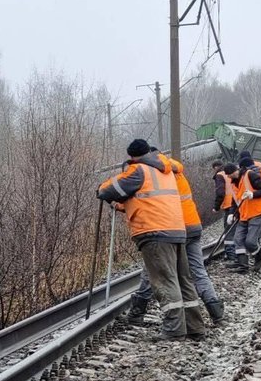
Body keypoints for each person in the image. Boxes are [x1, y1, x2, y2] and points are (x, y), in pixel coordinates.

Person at [97, 139, 206, 342]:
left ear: (132, 157)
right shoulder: (165, 171)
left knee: (165, 280)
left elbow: (109, 190)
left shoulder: (139, 170)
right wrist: (123, 206)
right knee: (183, 279)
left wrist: (102, 189)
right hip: (177, 229)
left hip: (155, 232)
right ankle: (195, 327)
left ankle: (174, 329)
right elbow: (148, 199)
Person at [130, 151, 225, 326]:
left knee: (153, 269)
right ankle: (216, 312)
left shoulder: (155, 177)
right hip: (193, 225)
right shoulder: (177, 171)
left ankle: (138, 311)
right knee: (198, 271)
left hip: (173, 228)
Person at [232, 156, 261, 273]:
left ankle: (257, 259)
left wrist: (252, 195)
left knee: (251, 240)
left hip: (257, 209)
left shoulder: (248, 175)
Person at [212, 160, 236, 261]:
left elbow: (220, 193)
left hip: (229, 205)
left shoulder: (220, 175)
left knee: (229, 230)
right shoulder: (231, 173)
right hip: (237, 204)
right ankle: (234, 253)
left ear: (215, 168)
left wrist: (216, 207)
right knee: (235, 230)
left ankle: (231, 255)